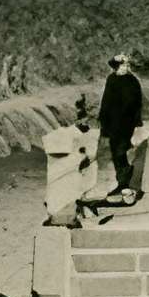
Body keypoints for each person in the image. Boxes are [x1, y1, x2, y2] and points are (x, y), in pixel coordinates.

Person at [40, 94, 96, 224]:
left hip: (73, 171)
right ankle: (65, 215)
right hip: (69, 170)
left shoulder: (82, 134)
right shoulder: (71, 134)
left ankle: (69, 214)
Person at [97, 54, 148, 199]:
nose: (126, 68)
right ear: (116, 67)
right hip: (113, 124)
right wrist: (103, 123)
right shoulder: (111, 79)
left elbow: (138, 105)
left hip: (127, 124)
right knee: (116, 154)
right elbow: (106, 101)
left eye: (127, 65)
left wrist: (137, 124)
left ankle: (128, 183)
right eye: (123, 66)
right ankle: (123, 183)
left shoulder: (132, 81)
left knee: (121, 152)